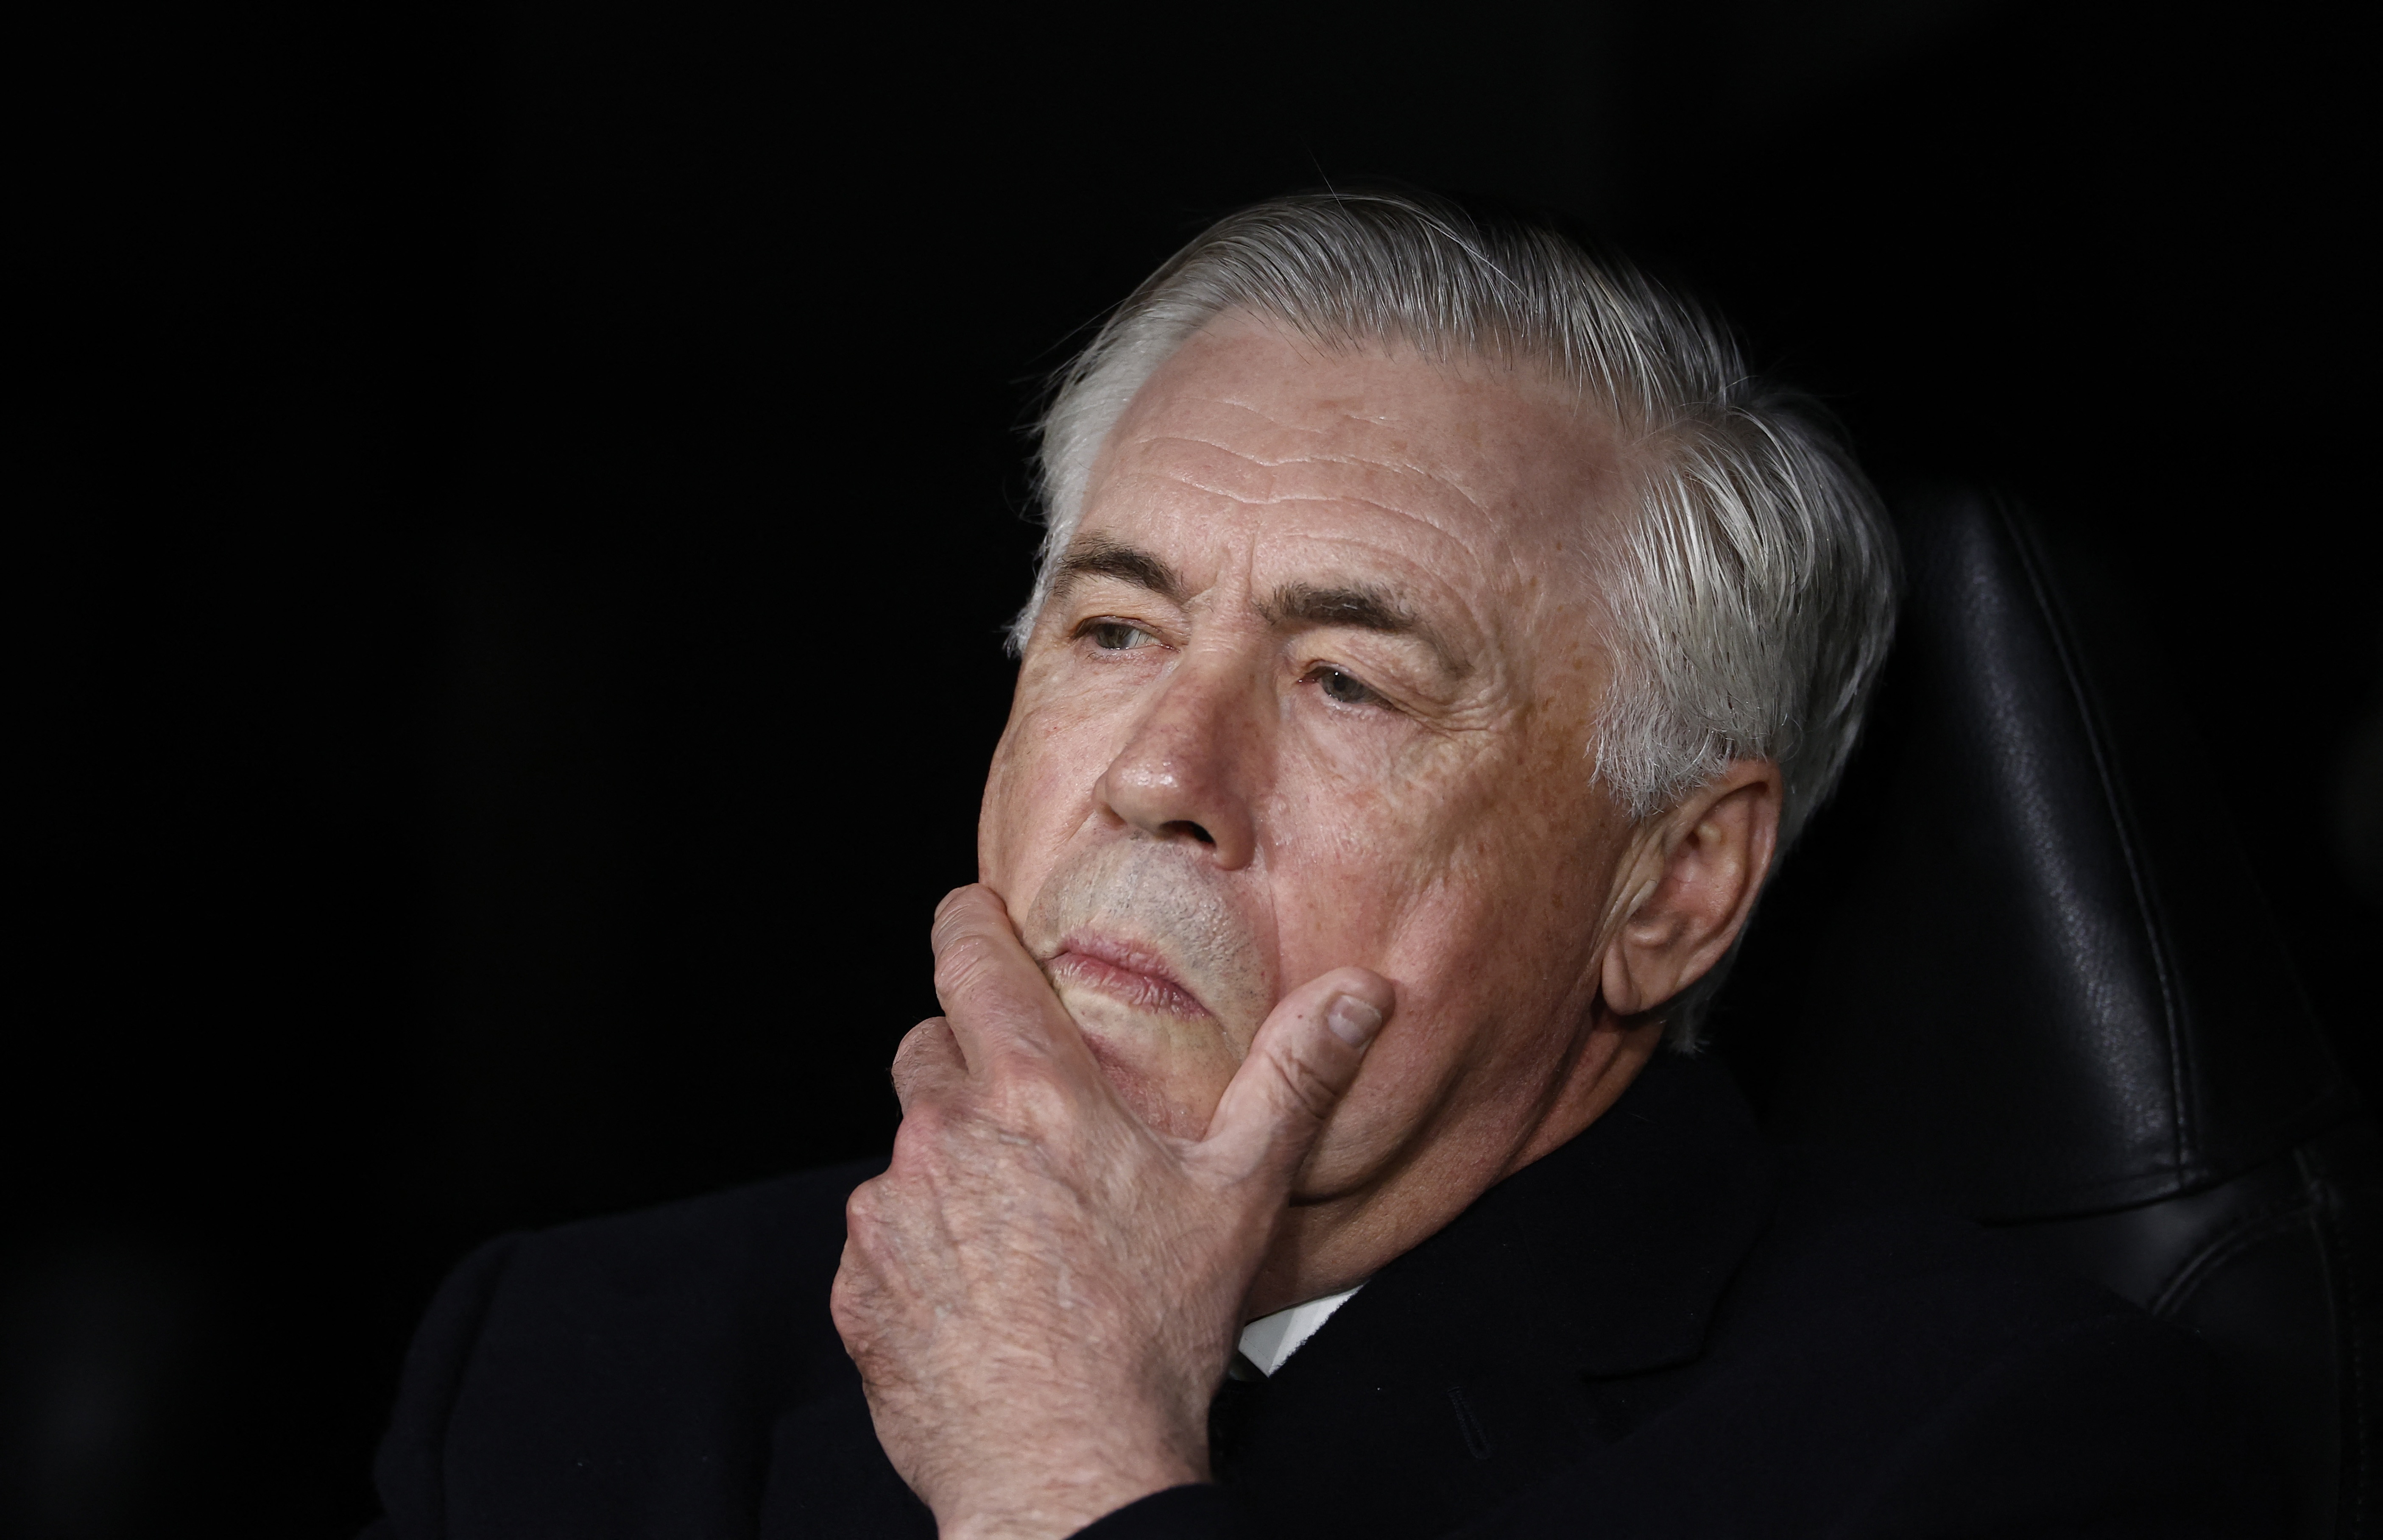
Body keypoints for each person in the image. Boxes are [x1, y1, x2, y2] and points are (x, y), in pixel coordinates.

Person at [364, 192, 2279, 1538]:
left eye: (1349, 680)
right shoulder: (576, 1364)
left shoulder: (1995, 1454)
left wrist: (1064, 1482)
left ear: (1675, 884)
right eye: (1114, 631)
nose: (1160, 779)